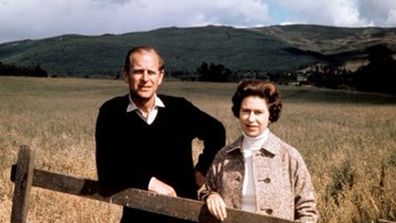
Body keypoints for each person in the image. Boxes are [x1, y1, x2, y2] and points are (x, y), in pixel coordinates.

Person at [95, 46, 226, 222]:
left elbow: (217, 132)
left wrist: (201, 169)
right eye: (138, 72)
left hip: (185, 214)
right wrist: (150, 183)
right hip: (138, 216)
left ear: (161, 76)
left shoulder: (180, 109)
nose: (145, 79)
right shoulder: (111, 113)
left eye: (151, 72)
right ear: (126, 74)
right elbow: (107, 171)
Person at [199, 80, 318, 222]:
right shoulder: (224, 156)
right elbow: (204, 190)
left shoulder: (289, 157)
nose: (251, 119)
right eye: (246, 111)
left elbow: (308, 210)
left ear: (270, 115)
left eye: (258, 112)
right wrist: (211, 195)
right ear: (238, 112)